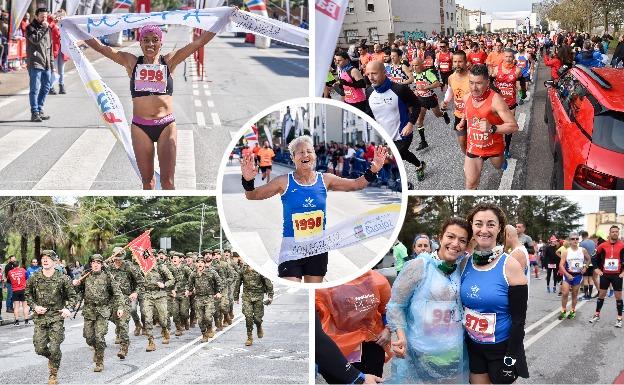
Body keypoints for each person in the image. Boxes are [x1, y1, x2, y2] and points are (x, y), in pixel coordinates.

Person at [84, 24, 218, 190]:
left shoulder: (169, 61)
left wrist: (222, 20)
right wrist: (74, 28)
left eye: (155, 40)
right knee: (148, 182)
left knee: (168, 183)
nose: (150, 44)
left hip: (166, 125)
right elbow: (102, 48)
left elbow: (198, 43)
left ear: (161, 43)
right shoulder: (131, 62)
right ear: (140, 43)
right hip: (140, 127)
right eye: (145, 40)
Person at [241, 135, 386, 283]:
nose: (305, 155)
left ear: (314, 156)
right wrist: (247, 180)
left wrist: (373, 169)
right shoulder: (283, 182)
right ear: (293, 157)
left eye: (309, 151)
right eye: (300, 152)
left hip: (318, 248)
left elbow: (357, 184)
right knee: (293, 289)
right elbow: (252, 195)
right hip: (292, 249)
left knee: (312, 293)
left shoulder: (325, 179)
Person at [386, 217, 472, 383]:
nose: (455, 244)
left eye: (462, 240)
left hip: (453, 353)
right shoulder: (418, 266)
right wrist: (400, 336)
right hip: (420, 353)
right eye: (450, 237)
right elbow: (396, 304)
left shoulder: (462, 267)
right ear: (440, 237)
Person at [461, 203, 529, 384]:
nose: (484, 230)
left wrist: (511, 358)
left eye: (491, 224)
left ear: (499, 228)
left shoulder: (510, 265)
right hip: (473, 346)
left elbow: (519, 320)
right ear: (471, 226)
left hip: (500, 348)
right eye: (478, 224)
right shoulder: (465, 264)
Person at [316, 270, 391, 381]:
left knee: (372, 379)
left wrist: (388, 329)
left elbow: (389, 309)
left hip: (372, 342)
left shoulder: (377, 280)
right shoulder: (322, 286)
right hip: (339, 346)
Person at [456, 64, 519, 189]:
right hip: (474, 147)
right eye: (471, 83)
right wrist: (462, 121)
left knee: (498, 166)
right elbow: (467, 111)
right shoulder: (466, 97)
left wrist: (492, 128)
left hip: (493, 147)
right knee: (470, 184)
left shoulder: (496, 100)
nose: (474, 88)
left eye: (479, 83)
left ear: (487, 82)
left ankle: (502, 161)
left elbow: (513, 126)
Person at [365, 60, 426, 181]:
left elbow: (417, 104)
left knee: (390, 159)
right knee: (402, 155)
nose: (371, 77)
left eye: (374, 73)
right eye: (368, 74)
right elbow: (370, 114)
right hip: (383, 137)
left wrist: (410, 123)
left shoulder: (399, 89)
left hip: (402, 135)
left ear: (384, 72)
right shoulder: (369, 92)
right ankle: (419, 165)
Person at [25, 250, 77, 385]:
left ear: (55, 261)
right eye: (43, 258)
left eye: (49, 258)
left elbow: (72, 296)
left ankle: (53, 374)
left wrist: (68, 308)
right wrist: (34, 306)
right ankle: (53, 358)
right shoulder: (34, 277)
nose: (45, 260)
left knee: (54, 347)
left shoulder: (63, 278)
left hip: (56, 317)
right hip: (40, 317)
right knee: (39, 348)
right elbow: (28, 294)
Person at [72, 254, 125, 372]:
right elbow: (78, 291)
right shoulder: (85, 276)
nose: (95, 264)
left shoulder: (107, 276)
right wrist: (76, 284)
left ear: (101, 264)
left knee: (99, 337)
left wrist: (120, 307)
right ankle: (96, 349)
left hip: (103, 310)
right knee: (89, 338)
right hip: (89, 311)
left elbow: (117, 293)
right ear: (91, 264)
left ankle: (99, 361)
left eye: (98, 262)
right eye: (93, 262)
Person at [315, 312, 383, 384]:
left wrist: (389, 327)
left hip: (370, 339)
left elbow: (385, 306)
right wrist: (358, 379)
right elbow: (317, 339)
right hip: (335, 345)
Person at [108, 247, 144, 359]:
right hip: (112, 299)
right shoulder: (108, 268)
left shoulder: (129, 267)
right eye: (116, 258)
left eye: (120, 259)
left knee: (123, 322)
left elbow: (141, 281)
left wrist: (135, 292)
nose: (117, 261)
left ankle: (124, 347)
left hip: (125, 298)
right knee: (113, 318)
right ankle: (119, 329)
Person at [411, 57, 451, 150]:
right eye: (413, 65)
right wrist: (416, 90)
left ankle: (444, 114)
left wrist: (426, 87)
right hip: (421, 99)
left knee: (437, 114)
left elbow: (438, 83)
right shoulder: (414, 73)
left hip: (430, 98)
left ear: (422, 65)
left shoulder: (428, 73)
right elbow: (417, 84)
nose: (414, 67)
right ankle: (423, 142)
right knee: (419, 121)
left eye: (416, 65)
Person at [589, 225, 624, 328]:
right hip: (605, 274)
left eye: (616, 232)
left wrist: (623, 272)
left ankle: (619, 318)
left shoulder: (622, 245)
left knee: (618, 297)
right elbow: (593, 257)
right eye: (613, 232)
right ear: (609, 233)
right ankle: (597, 314)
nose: (615, 233)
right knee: (601, 295)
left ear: (618, 233)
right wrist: (596, 268)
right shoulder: (602, 245)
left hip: (617, 275)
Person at [233, 262, 274, 346]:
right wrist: (236, 297)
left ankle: (259, 326)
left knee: (257, 319)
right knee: (248, 317)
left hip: (258, 296)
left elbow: (268, 282)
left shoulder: (260, 268)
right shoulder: (243, 269)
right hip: (247, 296)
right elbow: (238, 283)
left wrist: (270, 296)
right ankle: (249, 337)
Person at [492, 49, 522, 159]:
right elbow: (490, 83)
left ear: (513, 58)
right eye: (506, 56)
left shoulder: (517, 70)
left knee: (508, 127)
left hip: (511, 102)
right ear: (503, 57)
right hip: (498, 103)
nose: (508, 59)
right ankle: (497, 146)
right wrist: (496, 89)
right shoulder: (496, 69)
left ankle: (507, 148)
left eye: (510, 57)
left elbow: (520, 81)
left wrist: (521, 91)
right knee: (498, 125)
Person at [141, 256, 174, 351]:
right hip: (147, 295)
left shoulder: (161, 267)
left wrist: (164, 285)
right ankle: (151, 342)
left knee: (163, 319)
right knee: (147, 318)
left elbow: (171, 279)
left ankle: (165, 330)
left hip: (160, 295)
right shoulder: (143, 268)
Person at [26, 8, 54, 123]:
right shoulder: (30, 28)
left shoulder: (48, 28)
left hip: (46, 62)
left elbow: (50, 47)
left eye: (46, 17)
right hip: (35, 62)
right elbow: (35, 40)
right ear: (36, 16)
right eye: (42, 16)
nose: (44, 19)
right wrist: (43, 27)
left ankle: (40, 108)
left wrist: (52, 64)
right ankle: (34, 112)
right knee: (35, 89)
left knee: (46, 86)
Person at [188, 256, 223, 342]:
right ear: (196, 264)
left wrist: (219, 292)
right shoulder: (193, 274)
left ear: (204, 264)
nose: (200, 264)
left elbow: (220, 282)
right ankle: (204, 334)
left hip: (209, 297)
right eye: (198, 262)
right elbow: (189, 285)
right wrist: (188, 291)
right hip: (198, 298)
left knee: (208, 317)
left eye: (202, 262)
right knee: (200, 319)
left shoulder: (211, 272)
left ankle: (210, 327)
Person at [442, 50, 471, 154]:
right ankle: (469, 159)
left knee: (476, 141)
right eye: (455, 62)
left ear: (465, 62)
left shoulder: (472, 77)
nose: (457, 64)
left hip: (473, 115)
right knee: (462, 142)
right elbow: (450, 90)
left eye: (460, 61)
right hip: (459, 114)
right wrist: (445, 101)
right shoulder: (451, 77)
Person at [558, 232, 591, 320]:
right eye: (573, 239)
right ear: (569, 240)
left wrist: (585, 267)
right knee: (565, 293)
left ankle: (572, 311)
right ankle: (563, 311)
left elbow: (589, 259)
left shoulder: (582, 250)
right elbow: (561, 265)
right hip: (568, 275)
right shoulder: (566, 252)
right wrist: (567, 274)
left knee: (574, 294)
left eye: (577, 239)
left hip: (578, 276)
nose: (575, 240)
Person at [168, 252, 192, 337]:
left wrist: (188, 290)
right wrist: (171, 290)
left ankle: (185, 321)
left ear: (180, 259)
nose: (174, 259)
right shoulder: (169, 269)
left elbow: (191, 279)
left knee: (184, 313)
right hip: (174, 294)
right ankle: (178, 328)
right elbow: (167, 281)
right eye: (172, 257)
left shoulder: (185, 268)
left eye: (176, 257)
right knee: (175, 313)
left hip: (183, 293)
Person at [210, 250, 235, 329]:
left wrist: (225, 282)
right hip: (214, 289)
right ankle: (219, 324)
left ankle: (226, 315)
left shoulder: (225, 264)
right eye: (214, 254)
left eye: (218, 254)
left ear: (221, 256)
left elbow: (232, 276)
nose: (216, 256)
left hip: (224, 288)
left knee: (223, 306)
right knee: (216, 308)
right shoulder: (209, 265)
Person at [579, 230, 597, 300]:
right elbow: (595, 251)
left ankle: (586, 295)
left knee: (585, 279)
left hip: (585, 263)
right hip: (592, 262)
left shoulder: (582, 243)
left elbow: (581, 254)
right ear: (587, 235)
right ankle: (590, 295)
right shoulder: (593, 242)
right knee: (591, 279)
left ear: (582, 236)